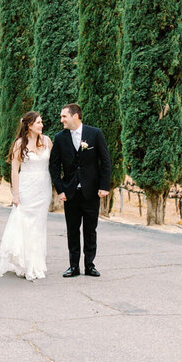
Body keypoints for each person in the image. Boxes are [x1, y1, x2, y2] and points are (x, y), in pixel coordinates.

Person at [0, 111, 52, 281]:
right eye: (38, 123)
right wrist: (15, 194)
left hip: (43, 188)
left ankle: (36, 262)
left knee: (38, 225)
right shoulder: (19, 144)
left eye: (41, 122)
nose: (41, 125)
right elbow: (15, 169)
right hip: (27, 188)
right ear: (29, 125)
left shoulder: (47, 141)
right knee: (25, 224)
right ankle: (25, 263)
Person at [49, 104, 111, 277]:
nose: (61, 120)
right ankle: (73, 266)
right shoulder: (60, 138)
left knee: (90, 230)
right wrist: (60, 189)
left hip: (91, 192)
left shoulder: (95, 134)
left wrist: (104, 186)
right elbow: (54, 167)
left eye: (64, 116)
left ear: (75, 116)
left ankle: (90, 265)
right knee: (72, 230)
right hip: (70, 193)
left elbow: (105, 162)